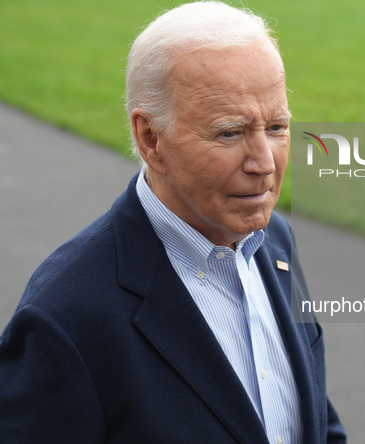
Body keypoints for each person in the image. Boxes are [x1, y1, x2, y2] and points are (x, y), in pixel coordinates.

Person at [0, 2, 346, 443]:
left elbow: (314, 417)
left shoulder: (273, 238)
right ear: (150, 139)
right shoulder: (64, 318)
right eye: (229, 133)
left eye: (277, 127)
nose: (265, 163)